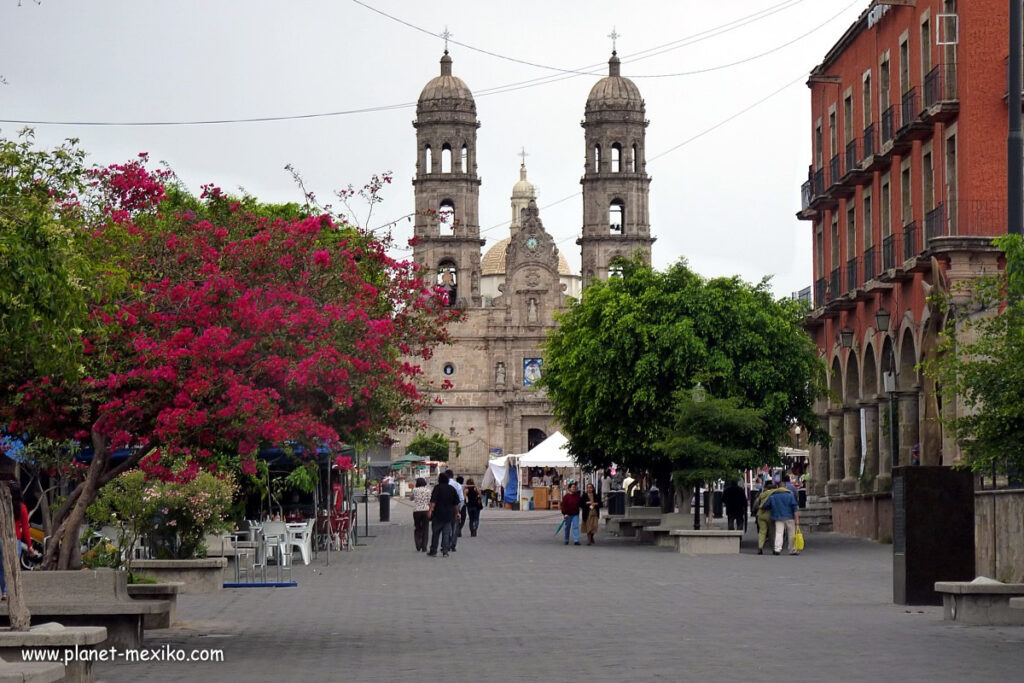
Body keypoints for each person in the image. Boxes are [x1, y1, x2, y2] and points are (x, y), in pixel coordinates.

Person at [1, 483, 33, 600]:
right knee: (14, 566)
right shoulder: (22, 508)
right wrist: (29, 546)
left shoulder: (2, 507)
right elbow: (25, 528)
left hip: (2, 539)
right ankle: (12, 591)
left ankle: (4, 592)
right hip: (16, 539)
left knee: (2, 566)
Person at [763, 480, 800, 556]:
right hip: (789, 517)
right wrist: (797, 520)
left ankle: (777, 549)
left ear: (778, 487)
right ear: (785, 487)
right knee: (791, 534)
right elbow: (795, 508)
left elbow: (766, 505)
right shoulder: (790, 495)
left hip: (778, 517)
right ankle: (792, 549)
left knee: (779, 533)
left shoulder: (773, 496)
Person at [428, 473, 460, 557]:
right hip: (449, 515)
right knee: (446, 534)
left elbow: (433, 501)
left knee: (436, 533)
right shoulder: (452, 489)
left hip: (438, 514)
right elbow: (456, 503)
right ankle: (445, 551)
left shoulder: (437, 488)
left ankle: (433, 550)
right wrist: (457, 513)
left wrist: (430, 511)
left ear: (439, 479)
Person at [754, 482, 777, 555]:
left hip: (760, 514)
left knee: (762, 532)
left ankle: (760, 547)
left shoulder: (761, 494)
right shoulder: (774, 494)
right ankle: (773, 548)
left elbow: (756, 504)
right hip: (770, 514)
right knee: (771, 533)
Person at [445, 470, 464, 551]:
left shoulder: (442, 485)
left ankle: (446, 543)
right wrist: (459, 509)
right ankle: (453, 544)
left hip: (445, 508)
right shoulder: (457, 485)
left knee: (446, 527)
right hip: (455, 508)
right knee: (455, 527)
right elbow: (461, 499)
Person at [411, 477, 431, 552]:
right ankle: (424, 546)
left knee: (418, 527)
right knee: (425, 528)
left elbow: (411, 498)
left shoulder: (414, 490)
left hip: (417, 511)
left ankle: (418, 544)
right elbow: (429, 500)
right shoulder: (428, 490)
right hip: (426, 510)